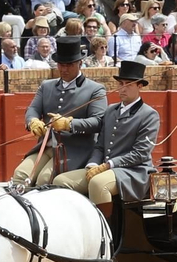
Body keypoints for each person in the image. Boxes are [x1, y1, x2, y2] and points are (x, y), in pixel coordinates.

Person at [51, 57, 159, 219]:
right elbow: (100, 145)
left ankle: (104, 233)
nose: (122, 89)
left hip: (134, 173)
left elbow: (141, 154)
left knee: (98, 183)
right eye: (120, 84)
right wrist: (92, 165)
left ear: (139, 86)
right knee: (60, 181)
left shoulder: (149, 115)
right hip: (105, 168)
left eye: (128, 84)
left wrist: (107, 165)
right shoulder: (110, 111)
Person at [11, 36, 106, 188]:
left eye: (69, 65)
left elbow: (98, 121)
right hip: (47, 146)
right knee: (20, 175)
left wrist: (69, 124)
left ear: (80, 63)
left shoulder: (95, 89)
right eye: (61, 64)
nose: (64, 69)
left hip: (75, 150)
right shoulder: (46, 86)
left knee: (44, 180)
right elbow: (33, 109)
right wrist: (33, 121)